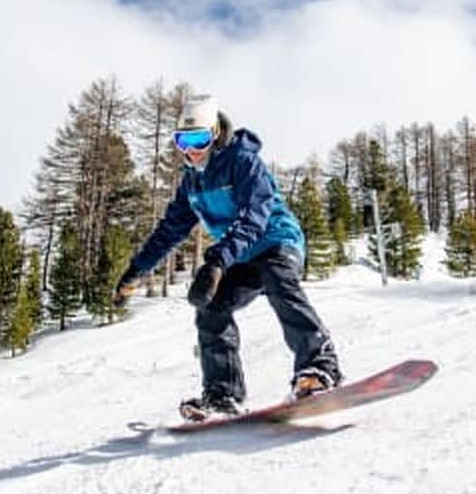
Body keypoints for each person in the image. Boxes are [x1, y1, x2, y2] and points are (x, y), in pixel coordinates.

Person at [114, 94, 342, 421]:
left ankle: (319, 368)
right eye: (182, 142)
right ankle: (223, 395)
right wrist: (136, 270)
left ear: (216, 134)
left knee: (278, 280)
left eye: (198, 140)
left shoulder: (243, 162)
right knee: (212, 307)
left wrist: (218, 260)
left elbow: (255, 216)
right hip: (241, 256)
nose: (191, 150)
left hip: (277, 240)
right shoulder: (192, 182)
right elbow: (169, 231)